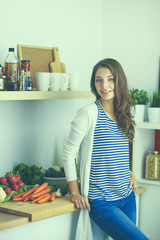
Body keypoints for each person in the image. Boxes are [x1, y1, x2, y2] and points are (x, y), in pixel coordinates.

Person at [62, 58, 149, 240]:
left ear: (119, 81)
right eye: (98, 80)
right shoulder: (89, 113)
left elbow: (116, 153)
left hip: (127, 197)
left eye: (110, 79)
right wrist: (75, 192)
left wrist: (129, 173)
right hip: (102, 203)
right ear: (94, 83)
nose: (105, 85)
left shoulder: (123, 113)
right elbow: (69, 153)